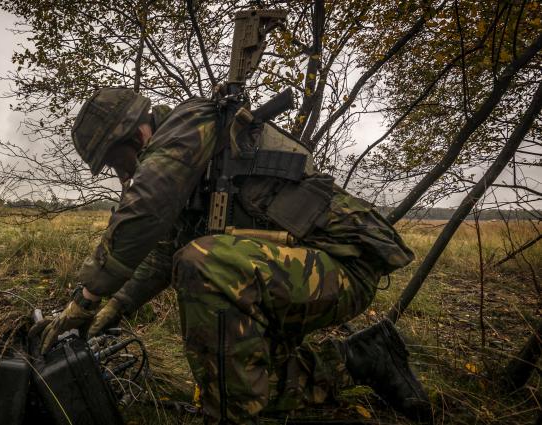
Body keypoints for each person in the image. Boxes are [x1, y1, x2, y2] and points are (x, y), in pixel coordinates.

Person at [34, 87, 431, 424]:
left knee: (201, 261)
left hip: (343, 262)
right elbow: (159, 256)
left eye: (115, 160)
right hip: (291, 271)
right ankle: (363, 358)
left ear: (136, 135)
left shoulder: (192, 123)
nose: (120, 173)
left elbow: (146, 210)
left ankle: (228, 413)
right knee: (243, 386)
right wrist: (114, 306)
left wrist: (85, 300)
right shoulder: (189, 167)